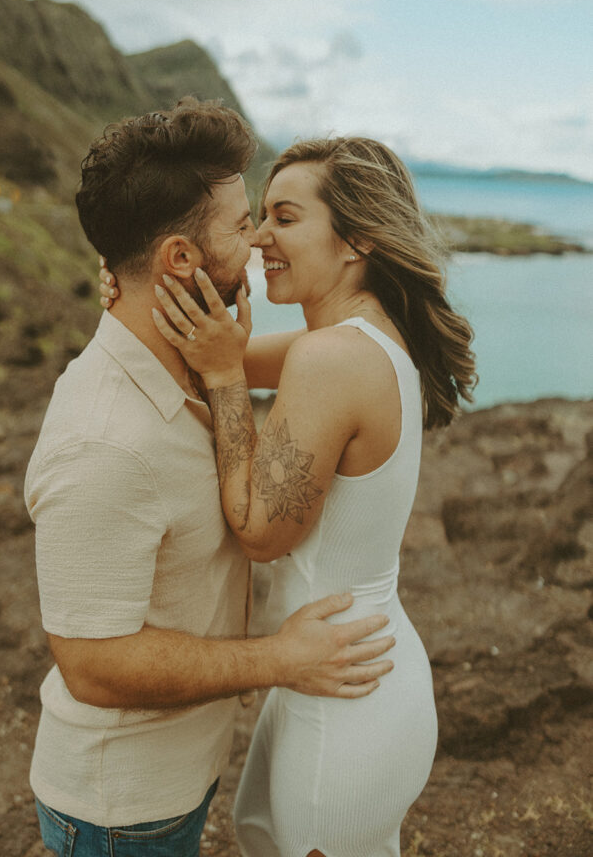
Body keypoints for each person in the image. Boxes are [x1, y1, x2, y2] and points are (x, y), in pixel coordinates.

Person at [25, 99, 396, 857]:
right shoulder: (102, 440)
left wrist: (218, 357)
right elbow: (91, 662)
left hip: (176, 781)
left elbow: (341, 353)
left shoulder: (189, 366)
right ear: (178, 261)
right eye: (239, 225)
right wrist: (279, 660)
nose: (258, 237)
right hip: (117, 811)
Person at [143, 135, 477, 857]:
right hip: (352, 667)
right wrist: (141, 286)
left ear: (355, 238)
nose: (261, 236)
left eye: (284, 218)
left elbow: (261, 532)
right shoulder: (366, 340)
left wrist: (230, 383)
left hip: (342, 698)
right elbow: (198, 355)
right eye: (259, 216)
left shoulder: (332, 357)